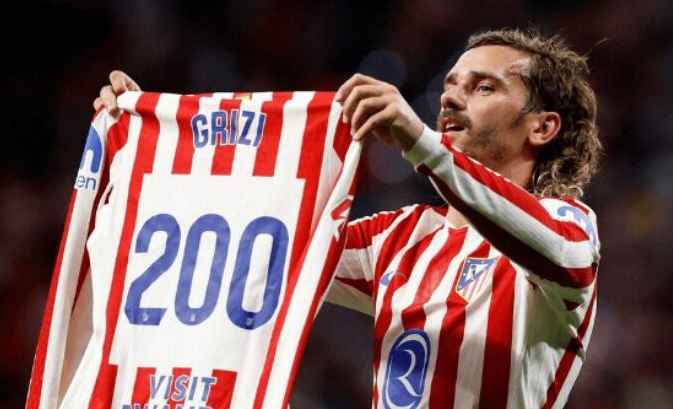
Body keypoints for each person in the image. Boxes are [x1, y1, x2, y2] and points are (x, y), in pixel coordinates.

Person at [95, 28, 602, 409]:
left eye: (484, 87)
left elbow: (558, 249)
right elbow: (248, 237)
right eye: (451, 85)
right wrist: (148, 144)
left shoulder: (570, 228)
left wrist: (421, 144)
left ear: (542, 127)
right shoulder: (400, 237)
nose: (450, 97)